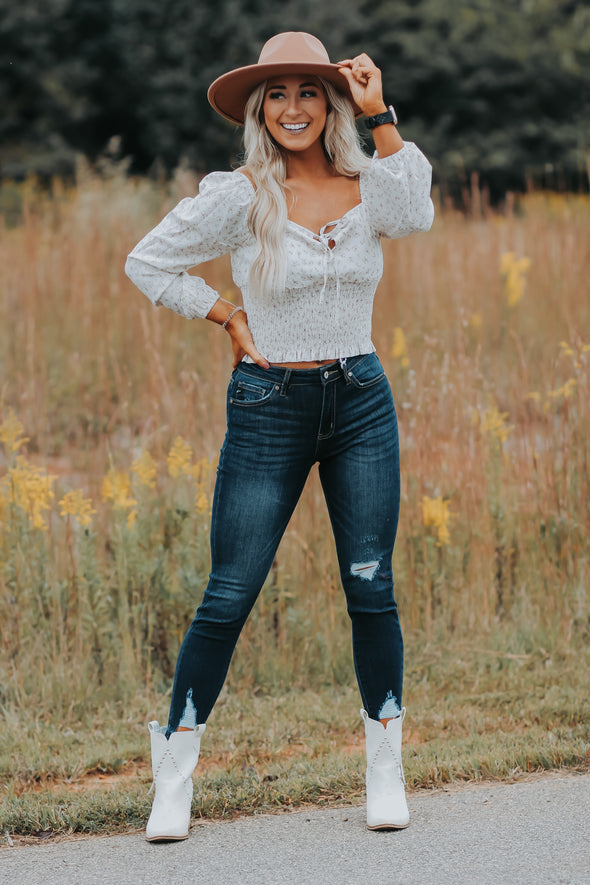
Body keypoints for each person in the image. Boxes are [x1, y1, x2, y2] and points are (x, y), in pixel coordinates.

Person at [125, 31, 434, 842]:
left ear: (330, 103)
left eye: (309, 92)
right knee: (230, 591)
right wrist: (225, 314)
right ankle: (175, 779)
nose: (293, 108)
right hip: (270, 400)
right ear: (260, 109)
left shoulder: (370, 181)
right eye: (278, 94)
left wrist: (381, 113)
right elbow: (146, 262)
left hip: (361, 395)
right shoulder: (238, 194)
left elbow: (416, 211)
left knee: (371, 584)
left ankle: (385, 770)